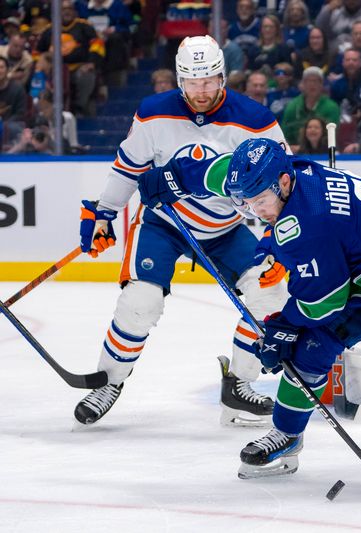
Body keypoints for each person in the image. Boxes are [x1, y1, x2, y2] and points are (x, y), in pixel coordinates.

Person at [134, 137, 361, 510]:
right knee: (306, 352)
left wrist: (283, 324)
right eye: (244, 201)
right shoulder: (282, 173)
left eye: (259, 200)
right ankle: (286, 437)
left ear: (282, 184)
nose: (252, 209)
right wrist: (170, 179)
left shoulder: (309, 219)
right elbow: (219, 172)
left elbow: (324, 302)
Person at [73, 35, 289, 428]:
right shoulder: (154, 113)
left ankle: (238, 386)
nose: (201, 91)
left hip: (225, 228)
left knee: (269, 292)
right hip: (164, 223)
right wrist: (103, 213)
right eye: (192, 82)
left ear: (223, 76)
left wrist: (280, 237)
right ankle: (109, 381)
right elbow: (128, 168)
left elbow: (283, 184)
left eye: (209, 81)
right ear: (179, 79)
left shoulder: (256, 121)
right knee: (141, 302)